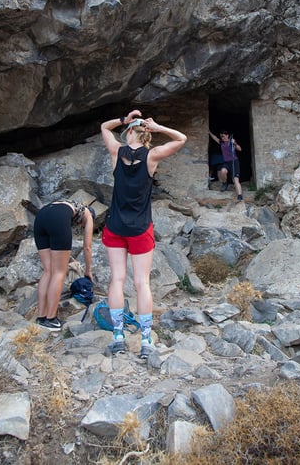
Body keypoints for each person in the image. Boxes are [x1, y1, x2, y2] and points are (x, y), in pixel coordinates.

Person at [101, 109, 187, 358]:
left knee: (117, 279)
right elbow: (181, 138)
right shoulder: (151, 157)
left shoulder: (117, 152)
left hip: (115, 226)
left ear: (129, 133)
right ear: (146, 135)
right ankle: (146, 340)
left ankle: (118, 335)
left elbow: (105, 128)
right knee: (142, 283)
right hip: (140, 228)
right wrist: (158, 127)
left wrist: (122, 120)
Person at [33, 200, 95, 331]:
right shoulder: (88, 214)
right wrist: (88, 271)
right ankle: (51, 319)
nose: (81, 226)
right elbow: (87, 247)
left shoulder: (69, 204)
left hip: (41, 216)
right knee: (59, 272)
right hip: (57, 219)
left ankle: (41, 317)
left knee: (48, 271)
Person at [209, 129, 243, 200]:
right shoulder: (221, 142)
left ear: (227, 135)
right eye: (221, 136)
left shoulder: (231, 142)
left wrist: (235, 143)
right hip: (227, 162)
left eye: (224, 136)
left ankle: (239, 196)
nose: (222, 138)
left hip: (234, 162)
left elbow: (239, 149)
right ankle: (225, 183)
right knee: (222, 171)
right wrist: (209, 132)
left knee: (235, 180)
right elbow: (215, 137)